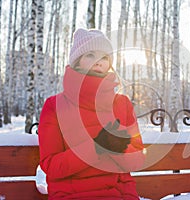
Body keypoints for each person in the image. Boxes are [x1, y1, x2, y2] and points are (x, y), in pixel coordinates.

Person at [38, 28, 145, 200]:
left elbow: (138, 160)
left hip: (119, 195)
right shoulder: (54, 106)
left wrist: (120, 148)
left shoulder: (122, 104)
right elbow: (51, 166)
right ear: (77, 61)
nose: (98, 61)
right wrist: (96, 148)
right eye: (90, 55)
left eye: (104, 57)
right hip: (71, 195)